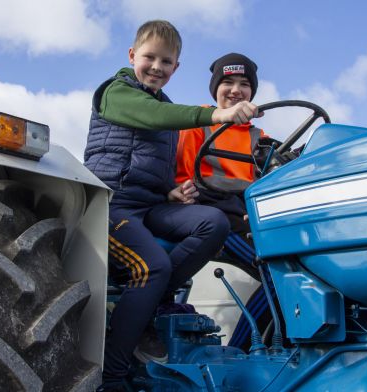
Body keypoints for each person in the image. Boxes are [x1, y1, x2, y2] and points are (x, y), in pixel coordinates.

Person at [83, 21, 260, 392]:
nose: (156, 67)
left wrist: (171, 193)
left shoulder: (163, 108)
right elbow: (153, 117)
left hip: (150, 206)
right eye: (149, 57)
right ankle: (112, 376)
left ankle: (155, 304)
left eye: (167, 61)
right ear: (132, 56)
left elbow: (152, 163)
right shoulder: (116, 92)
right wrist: (218, 114)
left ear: (176, 68)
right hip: (111, 204)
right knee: (152, 267)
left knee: (213, 222)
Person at [175, 52, 275, 350]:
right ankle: (240, 350)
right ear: (215, 88)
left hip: (249, 219)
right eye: (227, 82)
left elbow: (272, 180)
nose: (235, 90)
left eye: (244, 84)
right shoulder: (199, 125)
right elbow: (182, 178)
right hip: (215, 215)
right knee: (276, 278)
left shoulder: (262, 137)